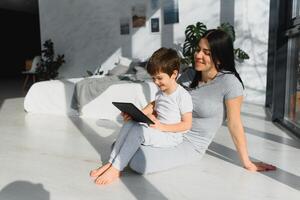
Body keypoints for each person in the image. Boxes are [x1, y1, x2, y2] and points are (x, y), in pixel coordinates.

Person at [126, 29, 277, 174]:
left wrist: (247, 162)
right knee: (126, 140)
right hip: (170, 132)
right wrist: (138, 114)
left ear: (219, 57)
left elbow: (234, 123)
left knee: (138, 161)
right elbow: (162, 100)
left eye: (206, 53)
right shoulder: (189, 75)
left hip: (191, 144)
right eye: (198, 49)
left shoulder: (230, 83)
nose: (198, 55)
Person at [90, 47, 193, 185]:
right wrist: (136, 114)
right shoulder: (161, 92)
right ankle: (111, 162)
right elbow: (154, 105)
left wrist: (162, 126)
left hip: (171, 136)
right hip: (158, 129)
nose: (156, 82)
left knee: (139, 131)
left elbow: (187, 124)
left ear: (174, 74)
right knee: (130, 124)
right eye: (153, 78)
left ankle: (116, 168)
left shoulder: (182, 96)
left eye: (160, 78)